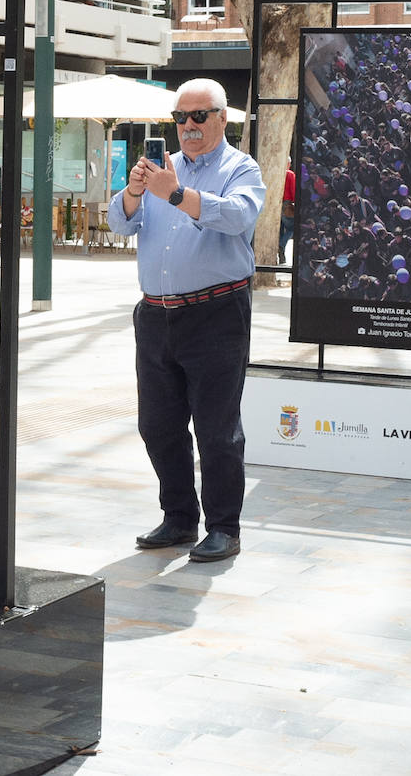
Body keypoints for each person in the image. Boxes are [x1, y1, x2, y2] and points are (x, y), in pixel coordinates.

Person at [107, 77, 265, 563]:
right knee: (158, 425)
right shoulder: (160, 169)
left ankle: (223, 527)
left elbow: (238, 217)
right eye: (180, 118)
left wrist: (176, 194)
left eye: (200, 116)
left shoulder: (242, 168)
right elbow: (118, 223)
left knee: (217, 429)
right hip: (156, 315)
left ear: (223, 117)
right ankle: (178, 518)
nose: (190, 126)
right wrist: (135, 192)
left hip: (216, 312)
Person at [279, 161, 295, 263]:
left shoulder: (276, 173)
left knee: (280, 231)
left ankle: (281, 257)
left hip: (276, 204)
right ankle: (281, 245)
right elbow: (293, 190)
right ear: (288, 163)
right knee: (292, 228)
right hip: (287, 204)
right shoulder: (289, 174)